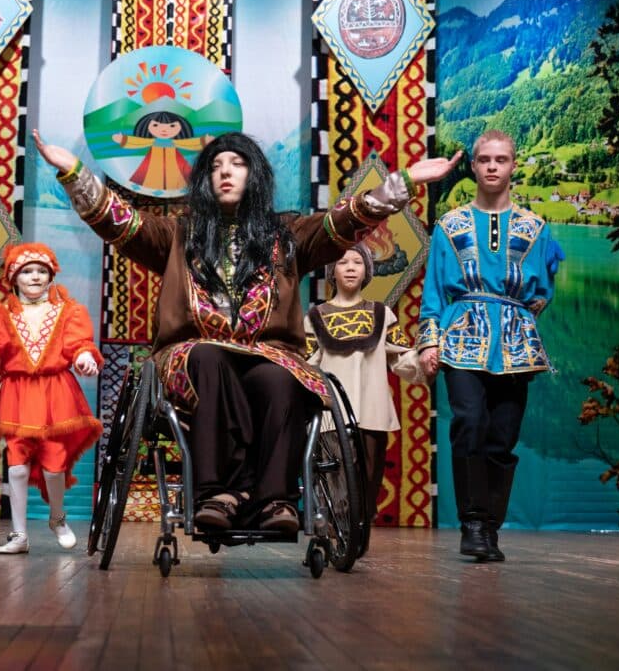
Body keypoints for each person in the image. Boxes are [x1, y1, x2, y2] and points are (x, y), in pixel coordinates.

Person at [32, 129, 462, 534]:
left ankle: (275, 500)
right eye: (216, 165)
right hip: (191, 357)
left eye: (237, 163)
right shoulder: (177, 234)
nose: (225, 171)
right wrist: (74, 173)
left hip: (268, 354)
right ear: (205, 179)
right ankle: (215, 493)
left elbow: (345, 219)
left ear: (254, 174)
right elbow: (119, 220)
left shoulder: (289, 235)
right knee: (209, 357)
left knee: (281, 378)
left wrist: (402, 184)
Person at [418, 129, 562, 563]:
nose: (493, 166)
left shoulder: (536, 228)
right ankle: (473, 524)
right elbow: (433, 291)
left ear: (514, 165)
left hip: (515, 343)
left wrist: (519, 318)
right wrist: (429, 343)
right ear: (474, 166)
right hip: (462, 336)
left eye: (501, 159)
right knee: (469, 422)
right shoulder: (449, 226)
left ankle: (490, 527)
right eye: (485, 160)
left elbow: (542, 291)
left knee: (502, 437)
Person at [0, 242, 103, 554]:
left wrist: (84, 356)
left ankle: (57, 518)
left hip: (56, 392)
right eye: (26, 271)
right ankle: (19, 535)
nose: (34, 277)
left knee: (54, 466)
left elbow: (78, 343)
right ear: (13, 277)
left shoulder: (68, 311)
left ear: (51, 275)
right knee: (16, 466)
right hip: (18, 393)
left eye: (41, 271)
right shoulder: (1, 314)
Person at [305, 243, 426, 542]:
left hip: (372, 411)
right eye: (342, 262)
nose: (350, 267)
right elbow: (308, 365)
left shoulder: (382, 314)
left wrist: (424, 362)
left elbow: (401, 358)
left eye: (357, 262)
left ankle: (357, 530)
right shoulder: (316, 316)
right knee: (336, 478)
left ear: (367, 272)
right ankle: (336, 532)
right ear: (332, 271)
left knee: (368, 481)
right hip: (333, 414)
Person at [112, 111, 213, 191]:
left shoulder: (175, 142)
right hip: (153, 163)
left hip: (175, 164)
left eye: (172, 126)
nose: (164, 130)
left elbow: (189, 143)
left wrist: (204, 141)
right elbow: (139, 142)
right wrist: (123, 139)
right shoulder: (152, 141)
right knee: (149, 176)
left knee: (179, 176)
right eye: (156, 125)